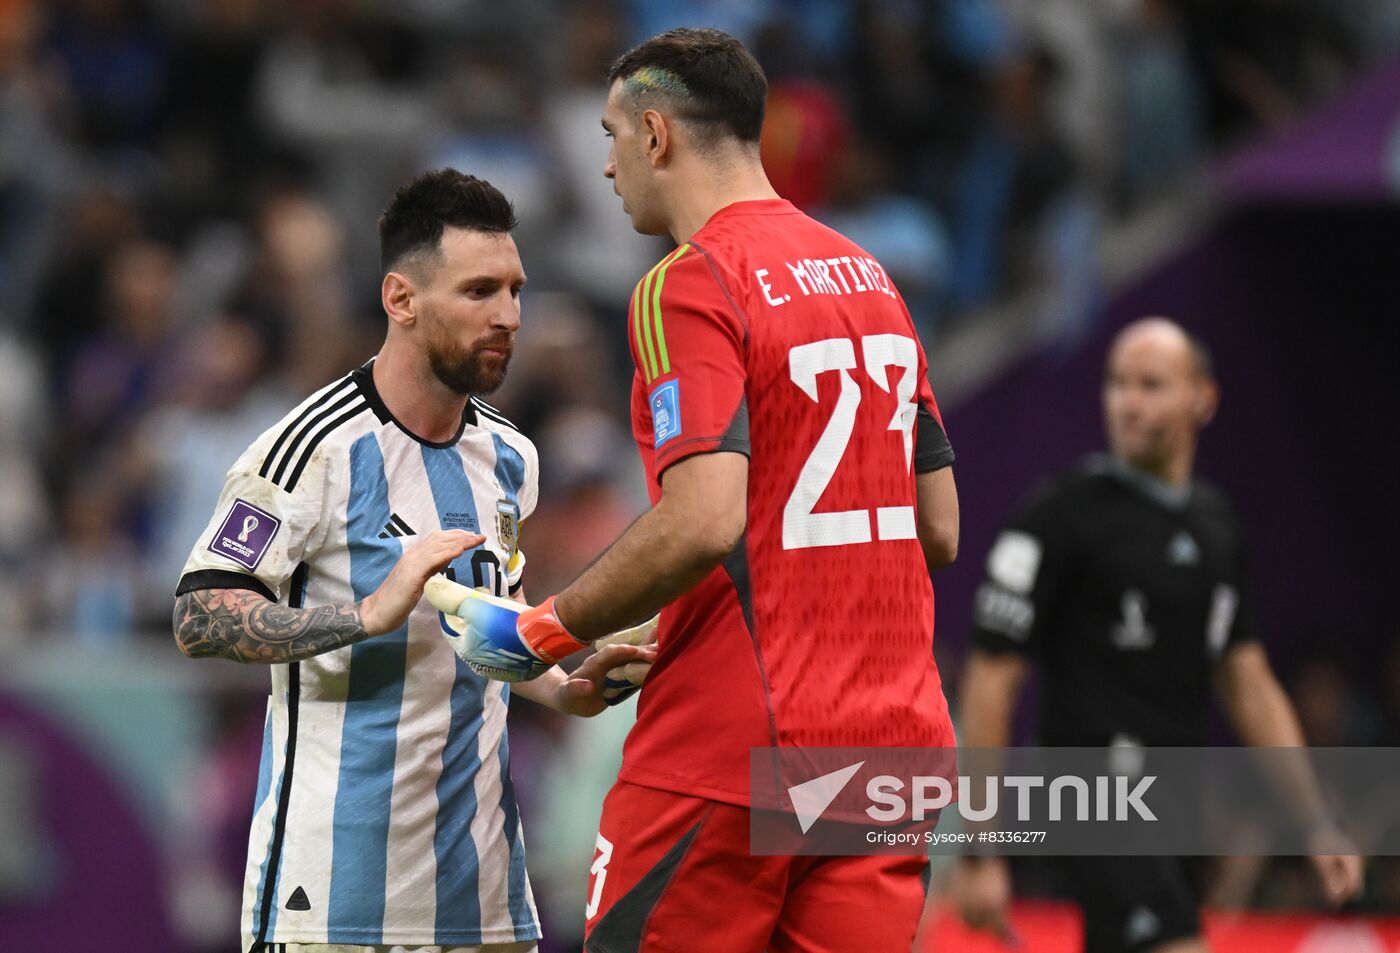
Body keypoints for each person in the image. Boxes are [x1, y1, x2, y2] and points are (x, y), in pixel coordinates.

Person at [447, 28, 961, 953]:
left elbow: (704, 518)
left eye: (610, 136)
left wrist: (543, 631)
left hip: (735, 752)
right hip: (888, 751)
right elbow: (938, 526)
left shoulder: (688, 283)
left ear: (656, 135)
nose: (605, 168)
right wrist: (689, 615)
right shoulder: (873, 279)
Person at [171, 169, 652, 953]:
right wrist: (364, 613)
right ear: (402, 300)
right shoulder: (308, 450)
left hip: (483, 893)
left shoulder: (510, 457)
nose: (509, 316)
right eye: (479, 292)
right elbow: (197, 614)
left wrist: (568, 687)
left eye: (515, 291)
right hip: (332, 896)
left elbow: (483, 627)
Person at [953, 317, 1364, 953]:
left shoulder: (1215, 526)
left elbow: (1247, 681)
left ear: (1203, 398)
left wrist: (1314, 823)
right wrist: (979, 848)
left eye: (1151, 385)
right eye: (1118, 383)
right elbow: (991, 678)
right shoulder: (1061, 515)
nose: (1129, 402)